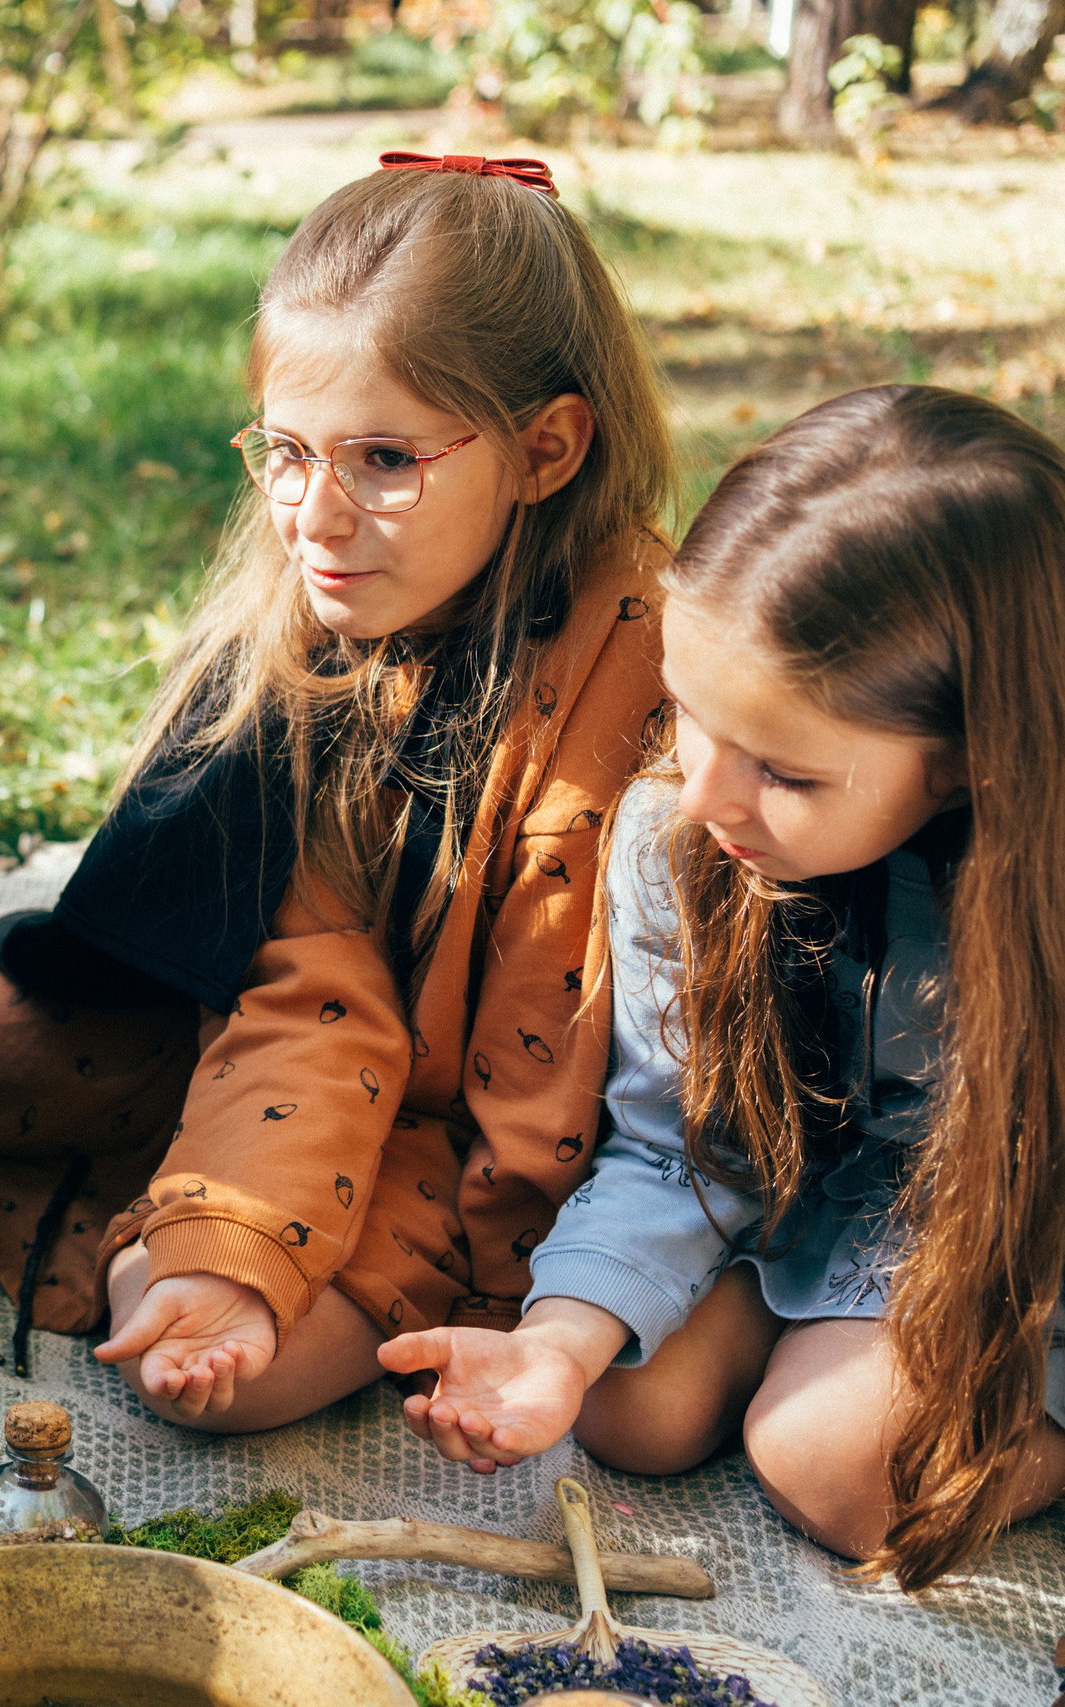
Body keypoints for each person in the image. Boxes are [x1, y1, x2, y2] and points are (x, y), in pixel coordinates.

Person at [0, 152, 678, 1432]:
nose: (312, 518)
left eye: (383, 458)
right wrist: (237, 1237)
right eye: (284, 451)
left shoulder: (647, 656)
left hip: (506, 1148)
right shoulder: (305, 633)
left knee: (215, 1386)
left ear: (544, 448)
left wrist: (504, 1285)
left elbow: (564, 1063)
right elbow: (311, 989)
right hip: (301, 1062)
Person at [380, 386, 1065, 1592]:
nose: (700, 794)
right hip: (843, 1188)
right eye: (686, 714)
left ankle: (858, 1373)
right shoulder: (683, 837)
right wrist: (555, 1339)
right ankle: (816, 1328)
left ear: (968, 764)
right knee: (624, 1406)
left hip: (1024, 1233)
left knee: (831, 1467)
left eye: (786, 773)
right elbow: (677, 1147)